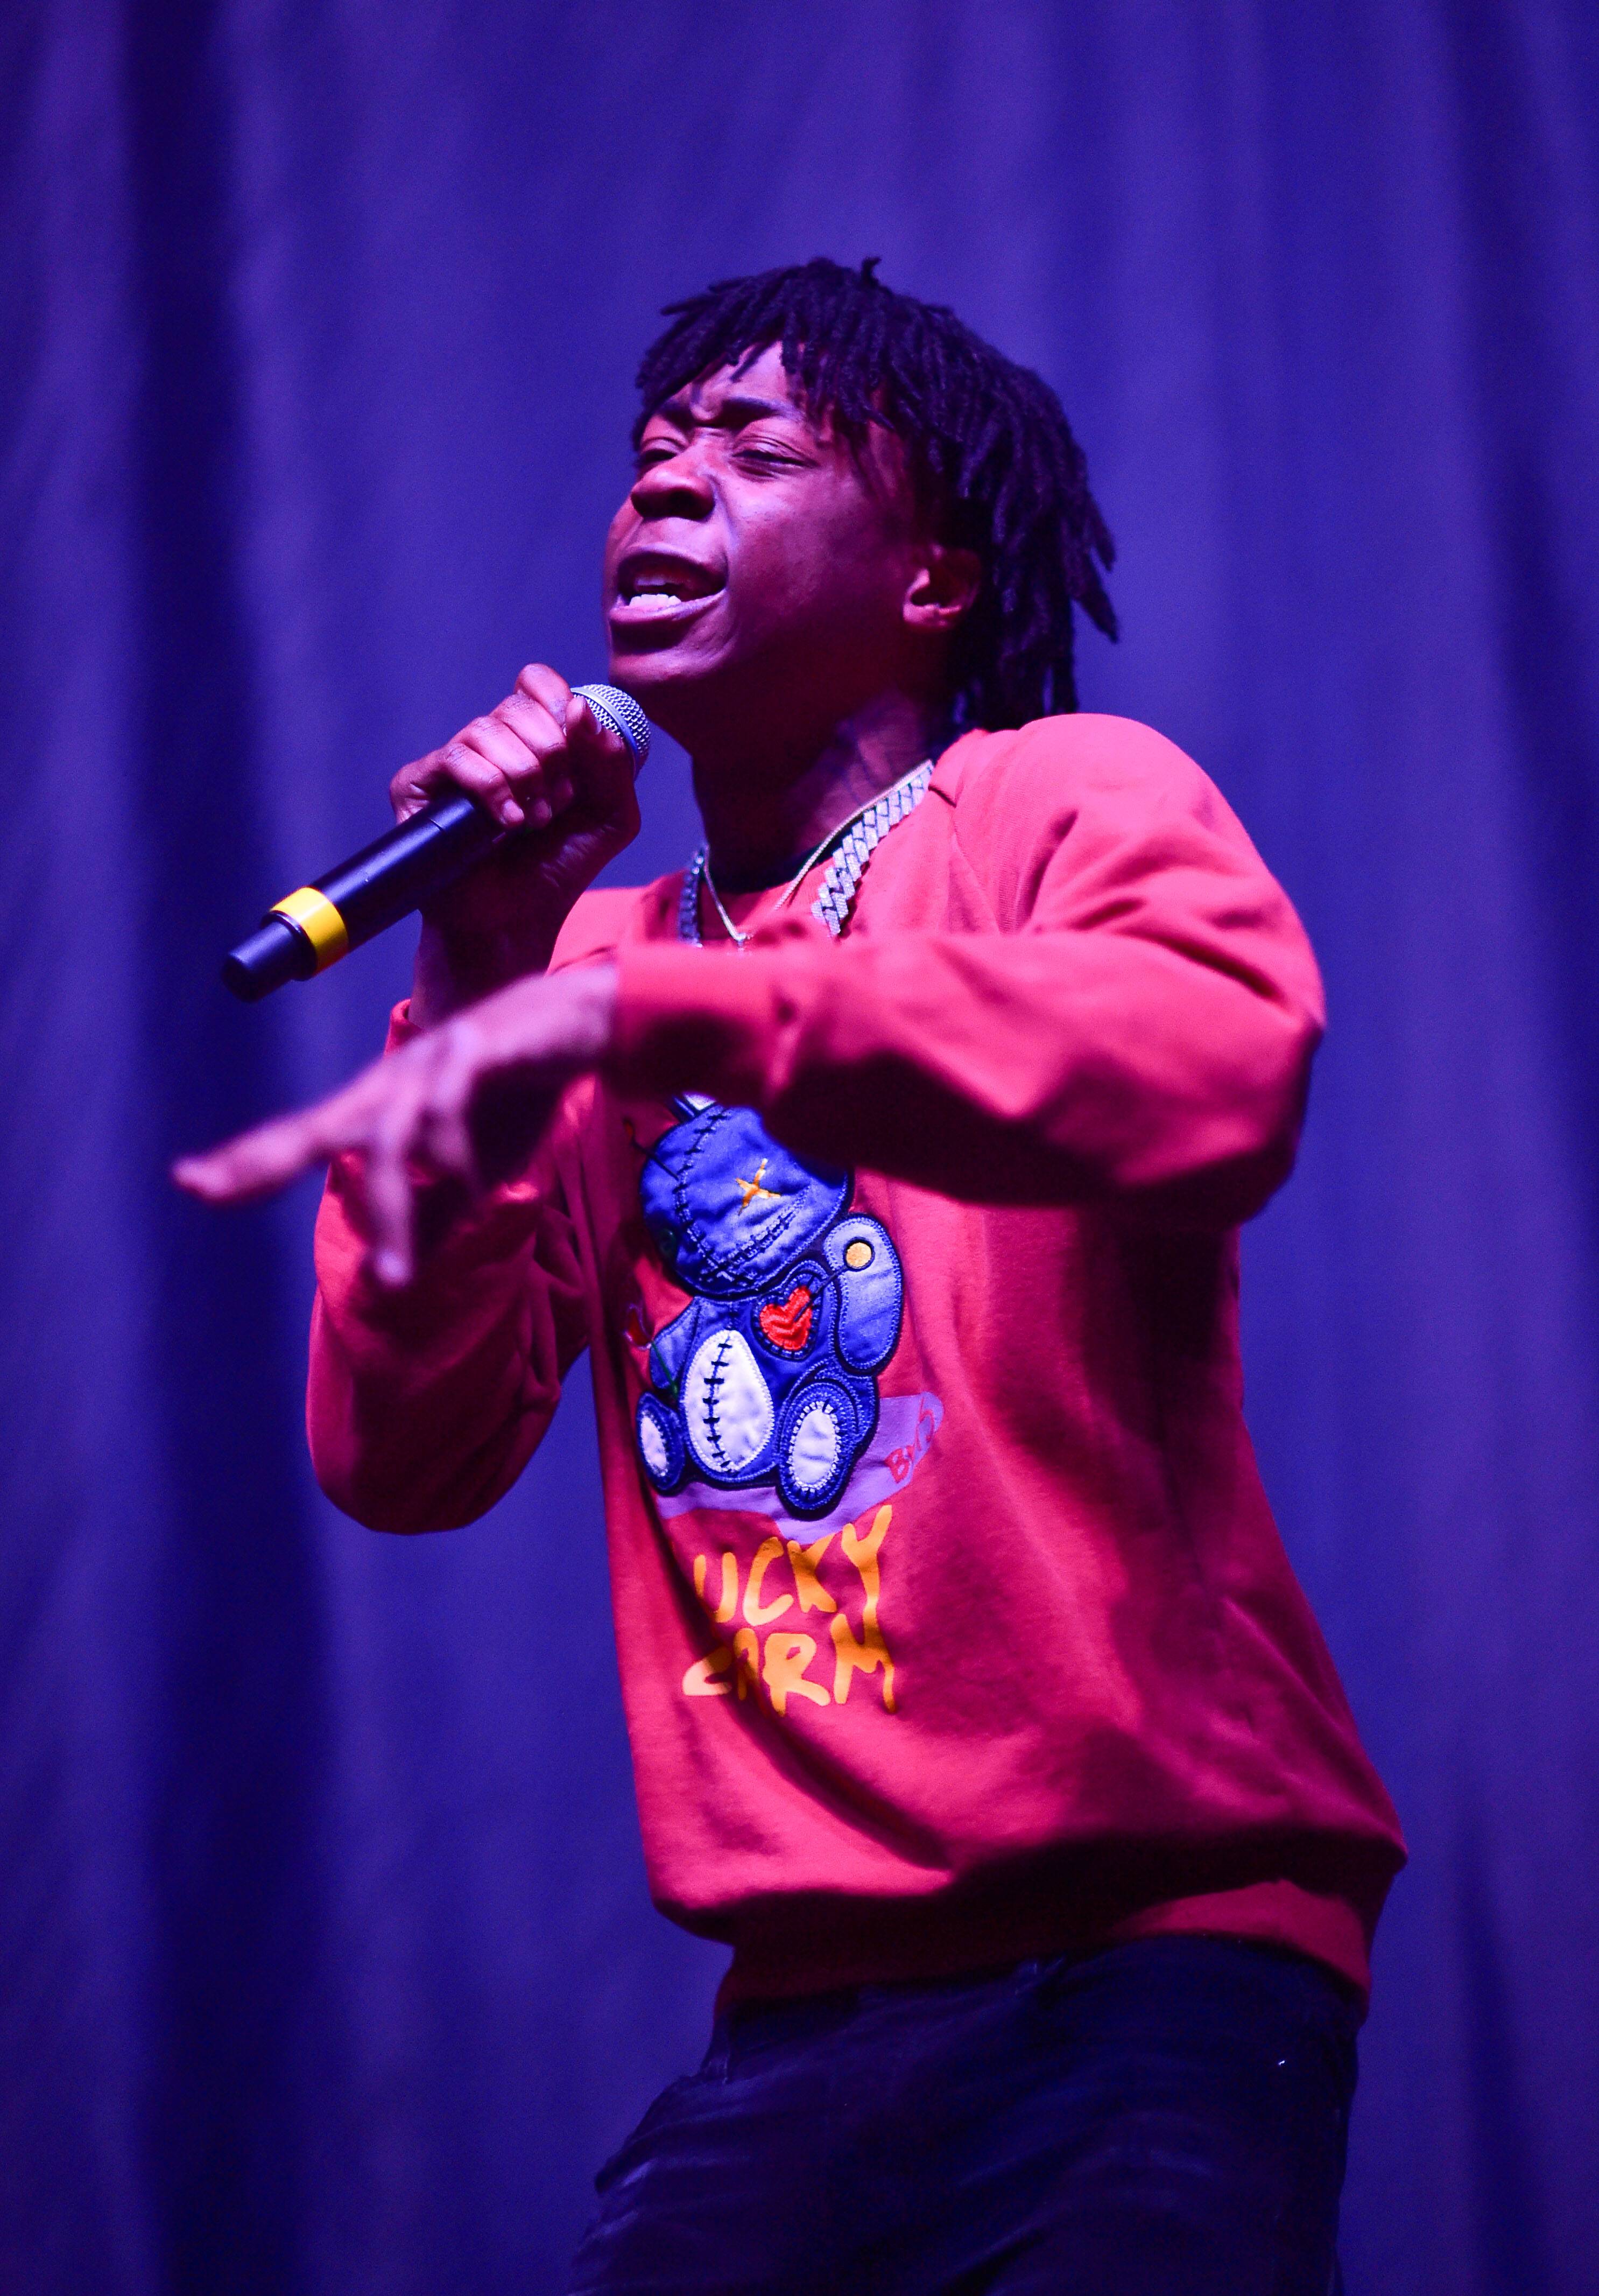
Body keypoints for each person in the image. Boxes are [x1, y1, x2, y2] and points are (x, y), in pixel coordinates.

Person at [178, 257, 1405, 2293]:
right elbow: (401, 1449)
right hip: (797, 2007)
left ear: (929, 580)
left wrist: (685, 1016)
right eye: (652, 452)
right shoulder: (572, 971)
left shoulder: (1052, 802)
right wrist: (483, 957)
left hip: (1161, 1953)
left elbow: (1221, 1071)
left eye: (756, 449)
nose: (667, 485)